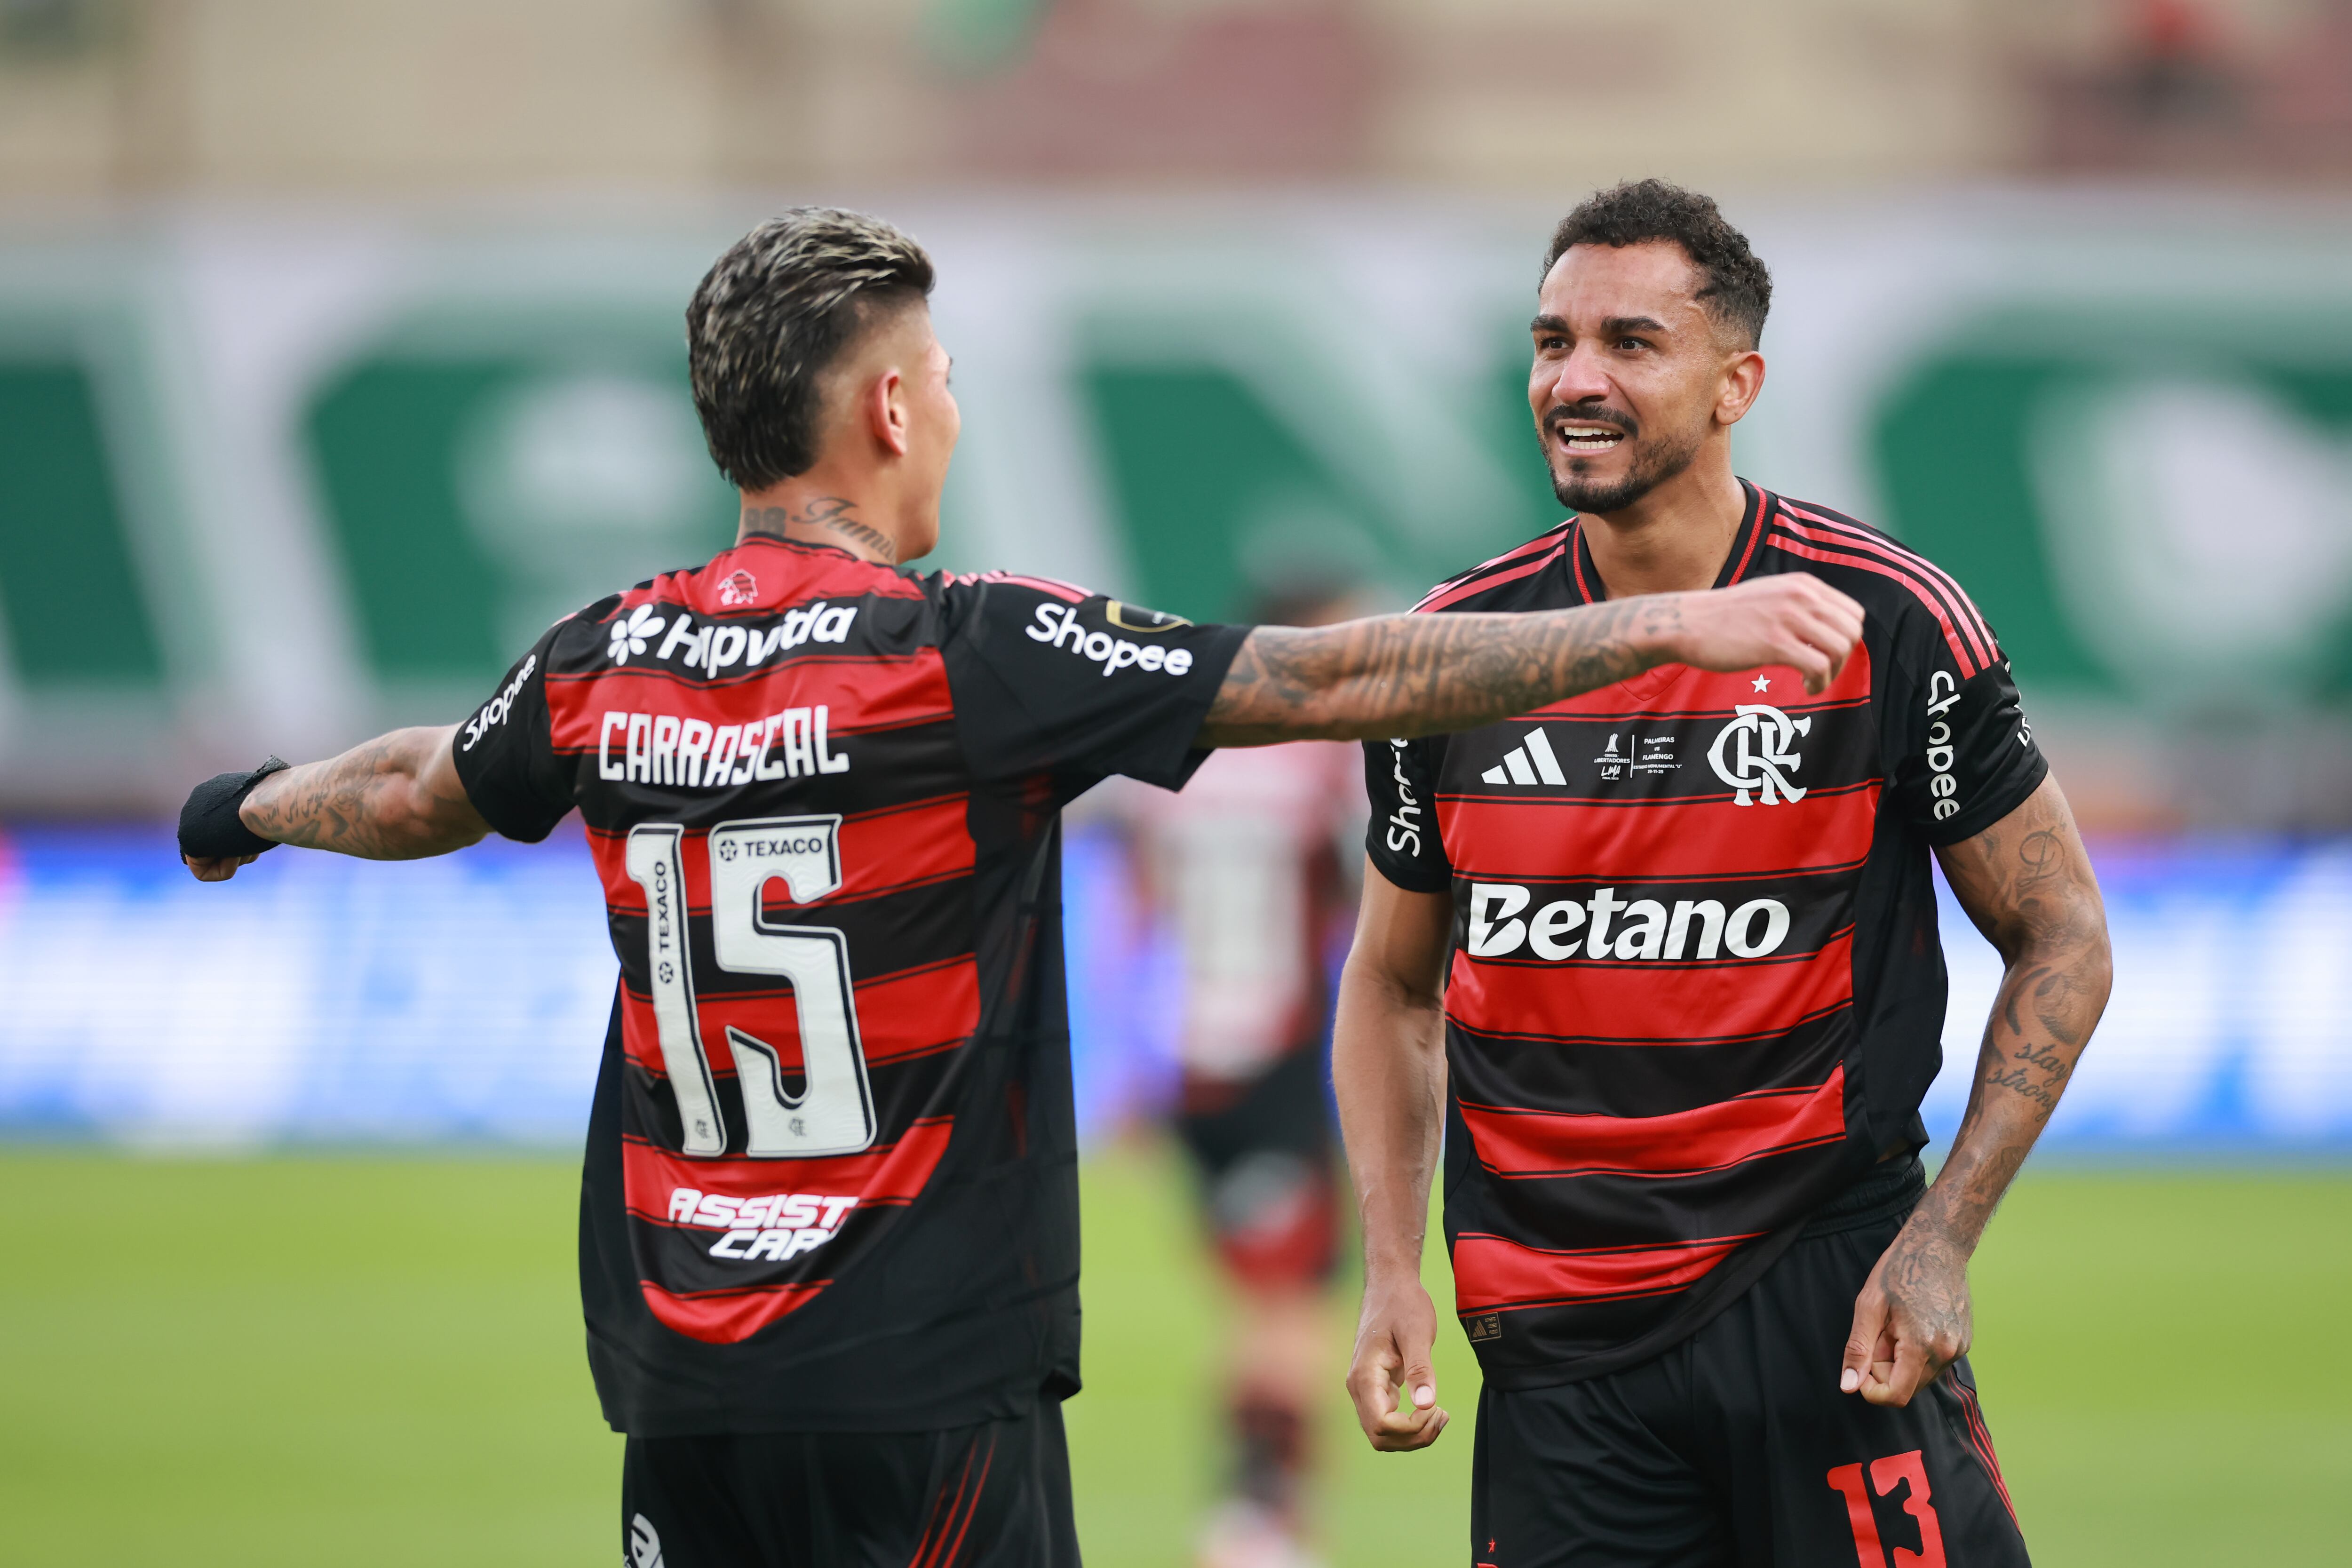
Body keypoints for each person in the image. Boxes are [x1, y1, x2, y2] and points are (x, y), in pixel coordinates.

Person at [177, 206, 1867, 1568]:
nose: (955, 413)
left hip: (685, 1380)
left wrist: (242, 805)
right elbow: (1327, 682)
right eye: (947, 378)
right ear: (893, 412)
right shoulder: (963, 650)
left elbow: (414, 785)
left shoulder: (605, 656)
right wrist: (1657, 623)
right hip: (920, 1378)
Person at [1337, 179, 2114, 1568]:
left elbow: (2064, 934)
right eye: (1551, 340)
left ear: (1735, 381)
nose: (1574, 378)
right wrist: (1392, 1267)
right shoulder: (1450, 653)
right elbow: (1395, 982)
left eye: (1632, 342)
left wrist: (1943, 1238)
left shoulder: (1889, 621)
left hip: (1826, 1303)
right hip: (1554, 1344)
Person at [1108, 581, 1366, 1568]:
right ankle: (1259, 1520)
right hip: (1273, 1058)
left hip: (1189, 1060)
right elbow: (1369, 899)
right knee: (1287, 1306)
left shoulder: (1179, 757)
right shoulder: (1323, 758)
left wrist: (1133, 1066)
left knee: (1254, 1300)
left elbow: (1138, 909)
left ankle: (1255, 1511)